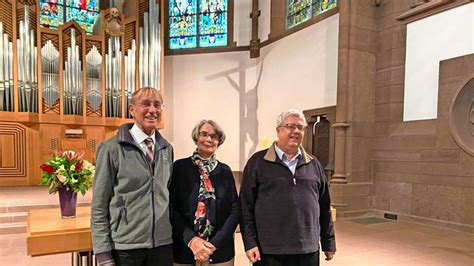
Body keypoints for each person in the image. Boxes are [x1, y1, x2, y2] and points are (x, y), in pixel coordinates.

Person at [240, 109, 336, 266]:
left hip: (307, 249)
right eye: (290, 126)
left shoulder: (314, 164)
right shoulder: (257, 162)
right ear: (278, 130)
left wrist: (328, 242)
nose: (296, 131)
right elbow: (246, 206)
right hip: (270, 249)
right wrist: (250, 242)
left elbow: (324, 206)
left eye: (300, 127)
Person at [91, 87, 174, 266]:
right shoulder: (111, 149)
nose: (152, 110)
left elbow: (165, 193)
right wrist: (103, 253)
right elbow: (99, 205)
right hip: (126, 245)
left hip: (162, 244)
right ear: (132, 109)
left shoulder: (167, 149)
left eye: (157, 105)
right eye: (145, 104)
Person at [171, 119, 240, 266]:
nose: (209, 139)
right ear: (196, 138)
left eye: (214, 136)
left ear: (219, 142)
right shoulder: (179, 167)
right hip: (185, 249)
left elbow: (235, 210)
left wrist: (214, 244)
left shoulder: (225, 171)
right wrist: (191, 240)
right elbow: (172, 208)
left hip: (220, 251)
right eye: (204, 134)